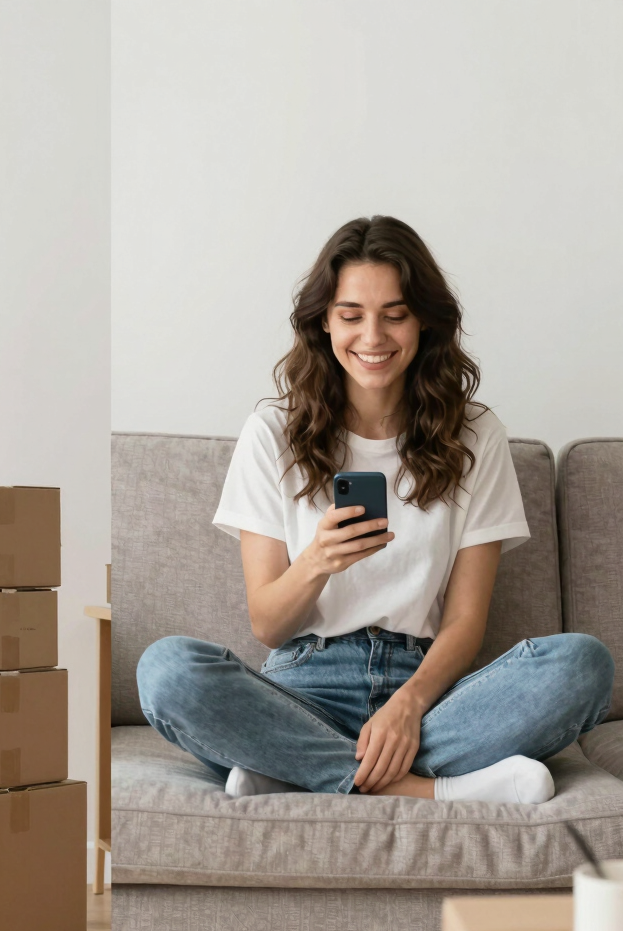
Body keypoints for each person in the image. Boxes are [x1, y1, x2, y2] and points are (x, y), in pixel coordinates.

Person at [136, 215, 613, 806]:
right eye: (351, 315)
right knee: (167, 670)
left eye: (395, 314)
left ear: (424, 320)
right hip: (301, 689)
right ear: (324, 321)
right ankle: (428, 789)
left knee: (582, 664)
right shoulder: (272, 433)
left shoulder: (475, 435)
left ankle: (293, 771)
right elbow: (268, 625)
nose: (373, 336)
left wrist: (408, 705)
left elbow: (465, 622)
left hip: (428, 693)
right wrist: (317, 561)